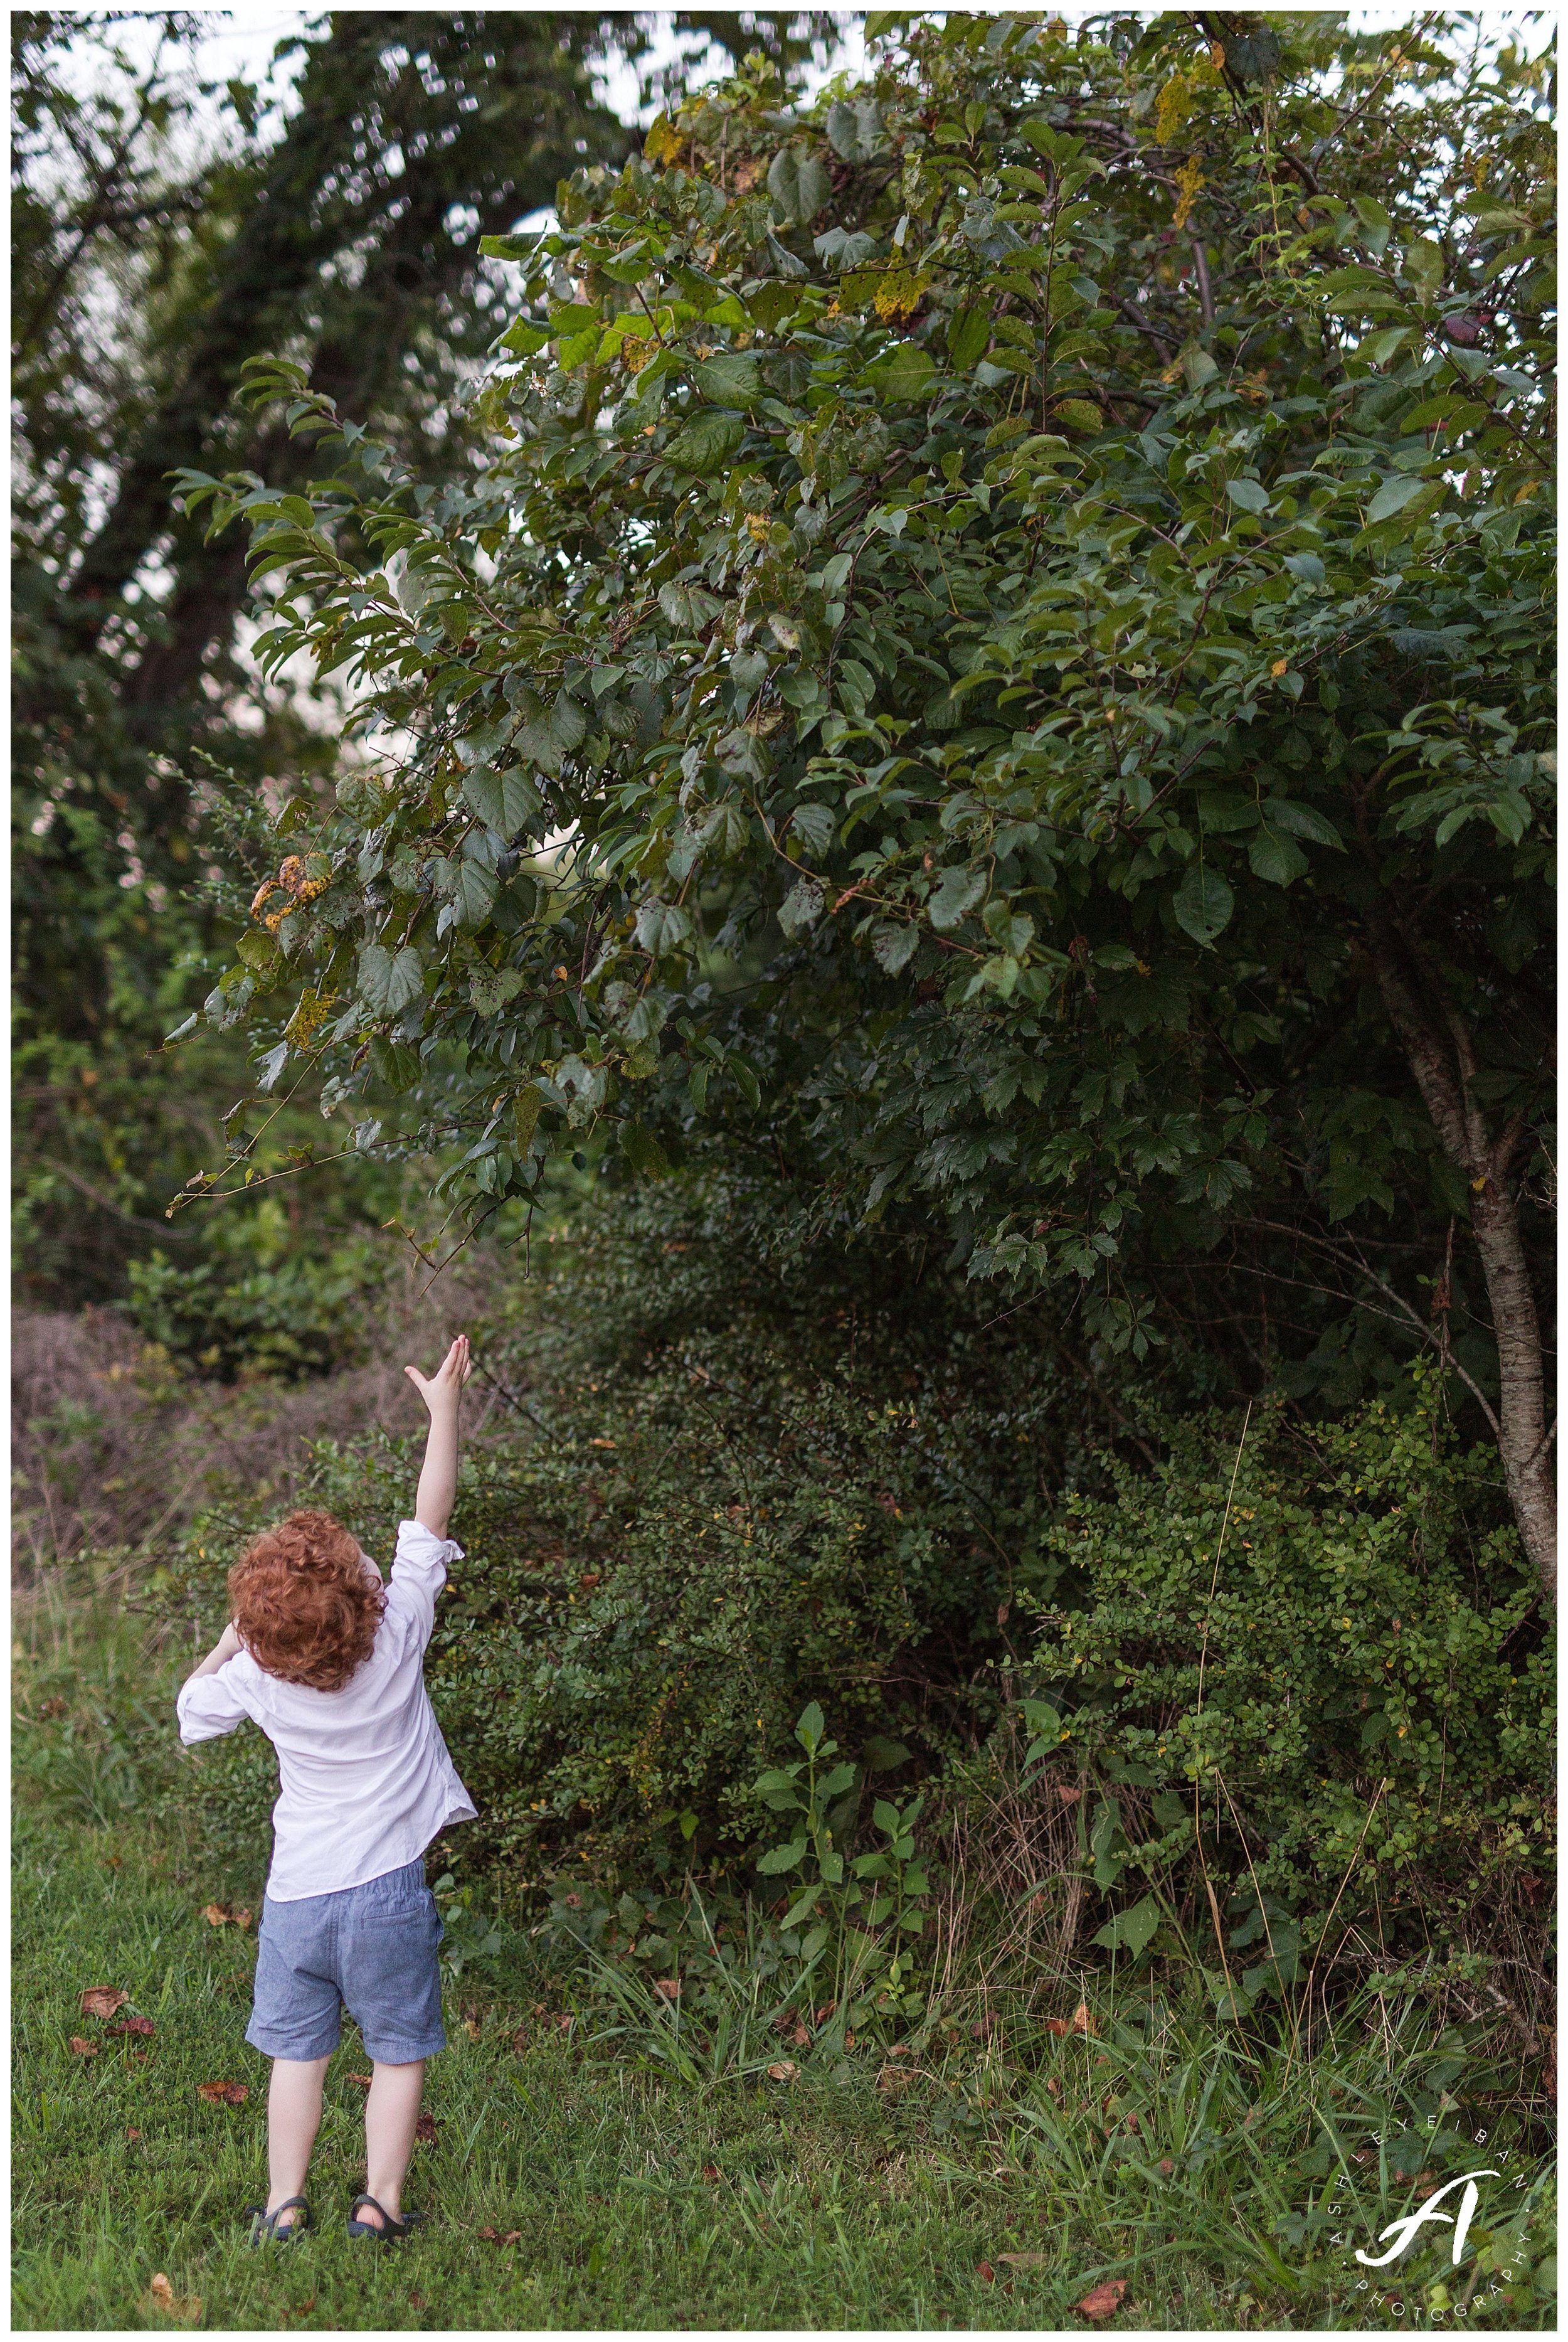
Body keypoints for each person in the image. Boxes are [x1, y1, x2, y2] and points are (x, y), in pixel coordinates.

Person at [177, 1333, 476, 2246]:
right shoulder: (398, 1635)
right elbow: (429, 1522)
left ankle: (283, 2204)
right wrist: (444, 1412)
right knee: (398, 2050)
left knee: (295, 2053)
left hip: (297, 1896)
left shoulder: (257, 1676)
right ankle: (378, 2203)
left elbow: (190, 1709)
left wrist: (235, 1641)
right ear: (361, 1594)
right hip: (386, 1888)